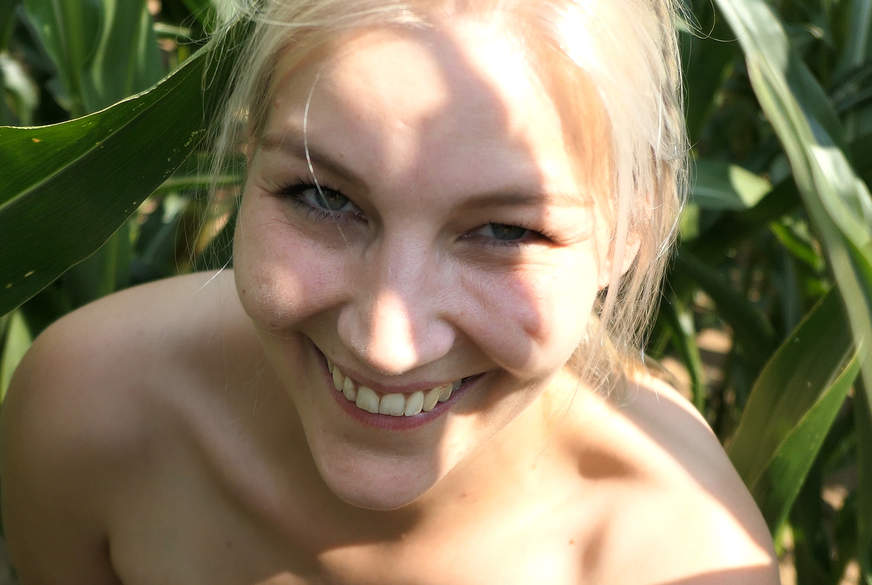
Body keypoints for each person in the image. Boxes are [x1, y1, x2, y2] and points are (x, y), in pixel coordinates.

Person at [1, 0, 781, 583]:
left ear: (631, 231)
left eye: (505, 231)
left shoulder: (682, 558)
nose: (386, 342)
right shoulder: (88, 413)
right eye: (322, 196)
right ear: (247, 156)